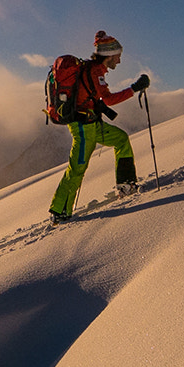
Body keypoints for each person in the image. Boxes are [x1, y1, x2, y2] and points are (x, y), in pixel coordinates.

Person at [49, 31, 150, 223]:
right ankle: (59, 211)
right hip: (83, 128)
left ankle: (126, 184)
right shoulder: (95, 72)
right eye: (118, 56)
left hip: (92, 124)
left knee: (121, 138)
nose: (119, 61)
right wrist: (134, 88)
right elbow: (109, 99)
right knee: (77, 168)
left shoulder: (93, 70)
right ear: (109, 55)